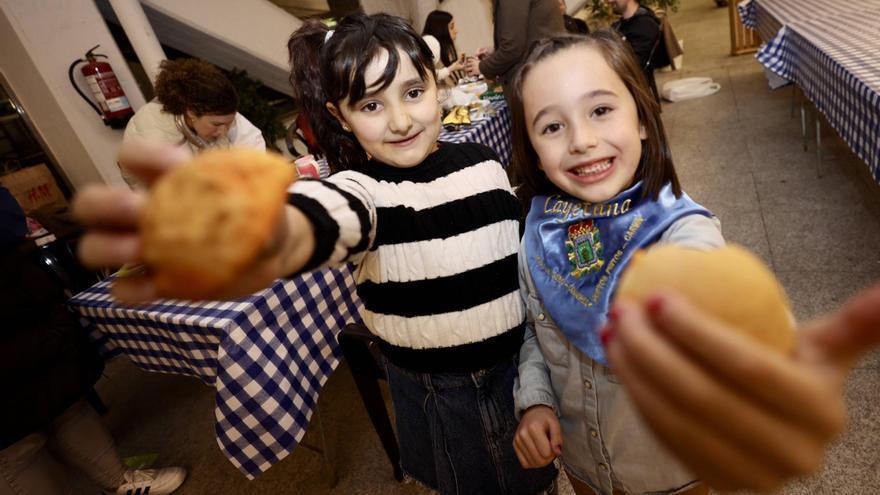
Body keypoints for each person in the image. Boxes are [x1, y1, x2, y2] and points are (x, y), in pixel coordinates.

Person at [74, 13, 558, 495]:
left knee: (543, 478)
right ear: (339, 115)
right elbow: (329, 213)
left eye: (413, 93)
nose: (402, 119)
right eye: (371, 104)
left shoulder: (485, 164)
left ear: (436, 84)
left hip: (521, 367)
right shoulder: (362, 190)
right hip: (441, 394)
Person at [504, 32, 880, 495]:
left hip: (672, 477)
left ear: (642, 119)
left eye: (600, 110)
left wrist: (761, 373)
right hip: (583, 468)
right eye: (552, 127)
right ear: (535, 154)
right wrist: (536, 402)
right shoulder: (542, 236)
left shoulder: (680, 231)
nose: (581, 140)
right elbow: (535, 333)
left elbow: (712, 298)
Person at [0, 186, 186, 495]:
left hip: (23, 313)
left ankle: (120, 482)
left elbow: (9, 220)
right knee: (18, 450)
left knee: (67, 405)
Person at [122, 58, 265, 184]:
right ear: (191, 112)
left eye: (228, 123)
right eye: (217, 125)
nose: (223, 130)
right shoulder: (152, 134)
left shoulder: (215, 110)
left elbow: (251, 144)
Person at [465, 0, 564, 83]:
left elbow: (513, 48)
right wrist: (495, 51)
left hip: (538, 76)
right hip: (545, 69)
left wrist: (482, 67)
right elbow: (526, 36)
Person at [608, 0, 662, 102]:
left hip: (631, 90)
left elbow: (634, 66)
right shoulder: (621, 25)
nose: (609, 1)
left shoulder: (644, 25)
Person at [422, 10, 466, 85]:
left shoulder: (431, 41)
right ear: (441, 28)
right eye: (451, 27)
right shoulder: (431, 42)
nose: (456, 30)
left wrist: (453, 67)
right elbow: (427, 76)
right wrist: (451, 68)